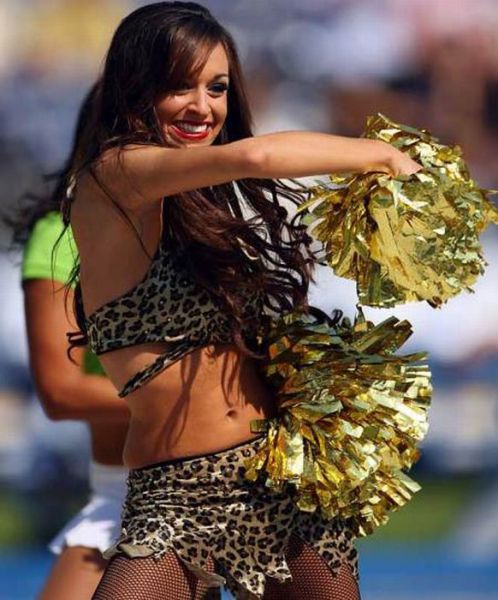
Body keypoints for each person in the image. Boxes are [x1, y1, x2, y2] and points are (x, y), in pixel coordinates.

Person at [62, 3, 420, 599]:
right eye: (180, 86)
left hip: (275, 478)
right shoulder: (113, 176)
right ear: (136, 85)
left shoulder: (200, 202)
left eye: (217, 87)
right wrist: (384, 154)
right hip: (175, 495)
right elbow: (255, 156)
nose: (203, 106)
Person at [13, 84, 130, 600]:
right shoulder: (63, 234)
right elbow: (61, 392)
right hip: (130, 501)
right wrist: (198, 404)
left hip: (253, 499)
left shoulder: (223, 229)